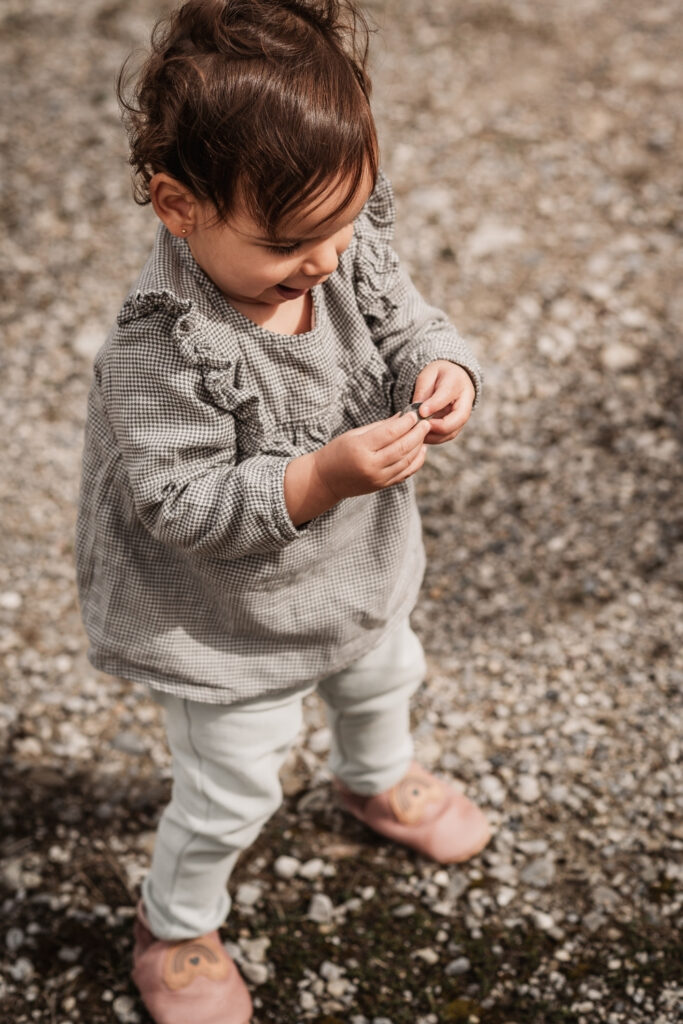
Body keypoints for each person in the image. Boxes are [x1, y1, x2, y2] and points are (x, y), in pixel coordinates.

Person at [75, 1, 491, 1020]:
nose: (325, 260)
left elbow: (405, 316)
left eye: (344, 224)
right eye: (292, 241)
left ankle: (371, 775)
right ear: (178, 205)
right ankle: (173, 919)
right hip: (224, 621)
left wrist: (442, 369)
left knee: (384, 673)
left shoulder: (338, 239)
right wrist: (315, 479)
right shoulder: (160, 346)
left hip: (351, 572)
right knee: (232, 786)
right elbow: (179, 504)